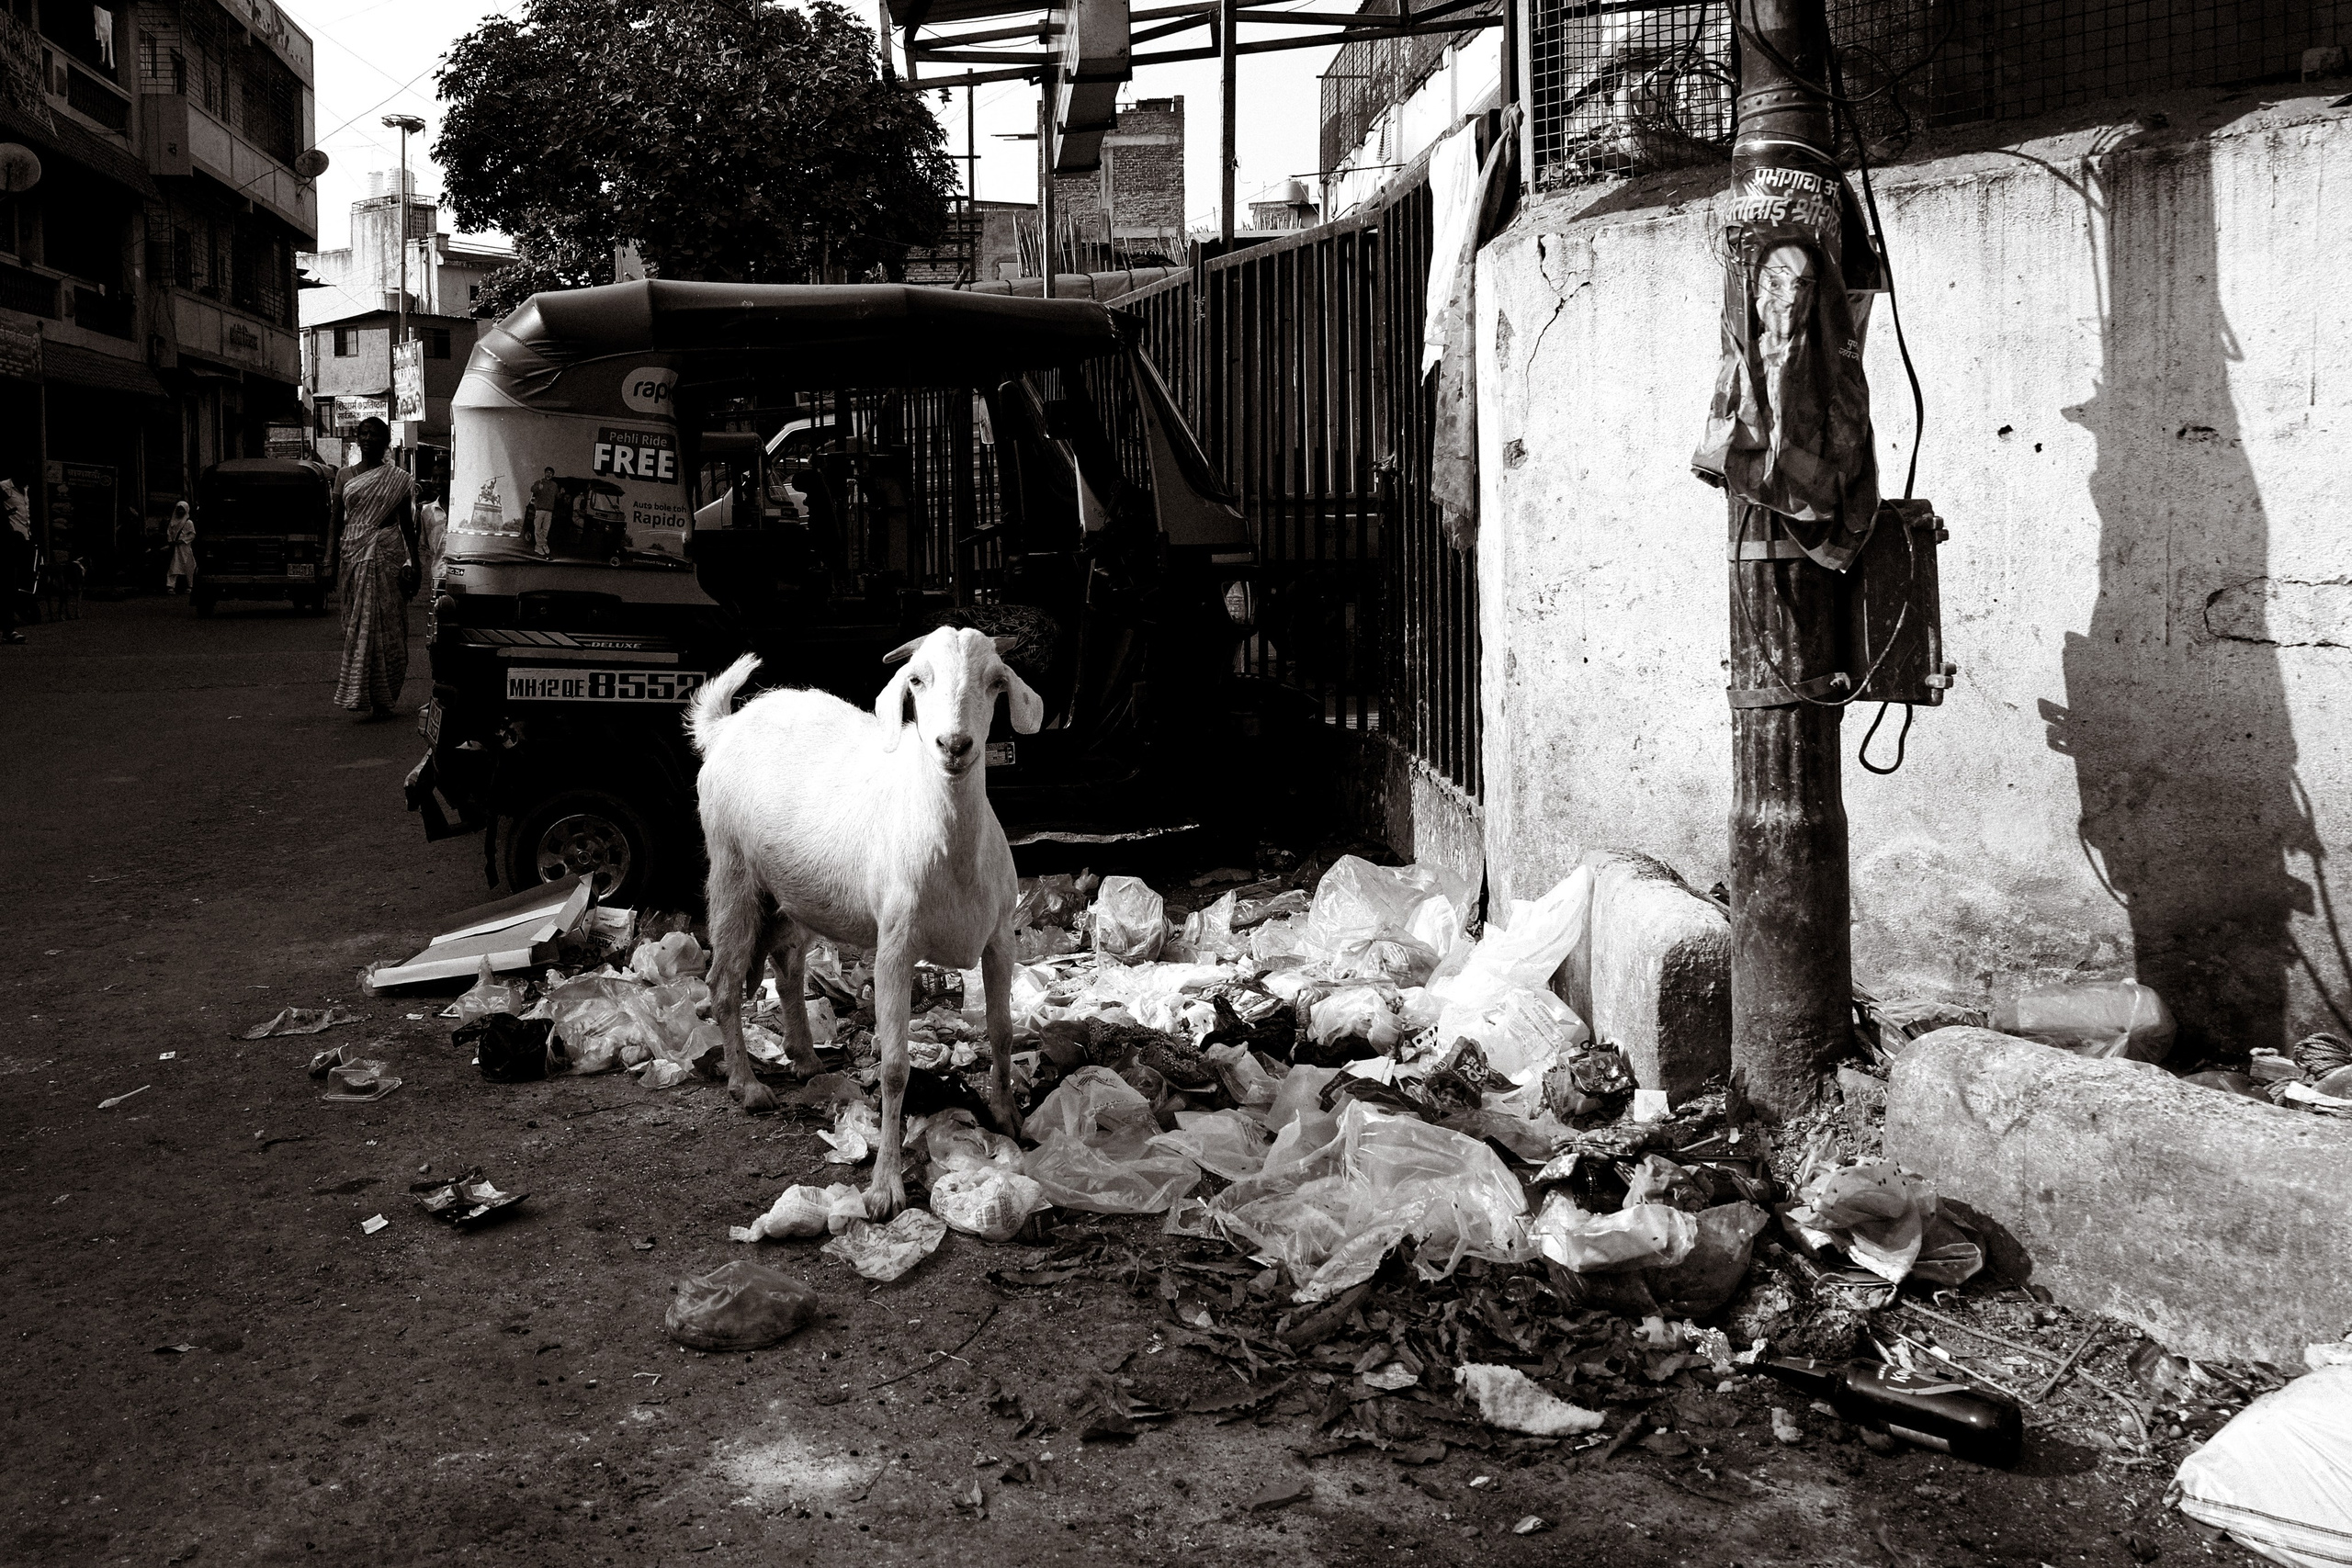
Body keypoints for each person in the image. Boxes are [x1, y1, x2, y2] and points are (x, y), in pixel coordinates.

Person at [324, 417, 418, 720]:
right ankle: (360, 692)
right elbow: (336, 520)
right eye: (362, 433)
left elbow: (407, 526)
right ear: (356, 439)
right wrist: (330, 560)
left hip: (387, 555)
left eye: (374, 434)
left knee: (391, 626)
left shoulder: (399, 479)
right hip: (353, 554)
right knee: (357, 628)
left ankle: (385, 694)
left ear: (385, 441)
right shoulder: (344, 475)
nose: (367, 438)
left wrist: (415, 564)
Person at [0, 475, 28, 643]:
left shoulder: (24, 490)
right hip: (4, 542)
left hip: (11, 544)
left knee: (8, 587)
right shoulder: (4, 488)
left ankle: (8, 629)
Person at [164, 502, 196, 594]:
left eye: (182, 509)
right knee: (174, 567)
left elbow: (192, 535)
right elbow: (169, 533)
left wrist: (182, 541)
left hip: (185, 548)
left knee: (189, 567)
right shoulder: (173, 521)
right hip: (175, 548)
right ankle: (170, 586)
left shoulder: (189, 522)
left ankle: (190, 586)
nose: (180, 511)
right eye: (179, 509)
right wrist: (171, 542)